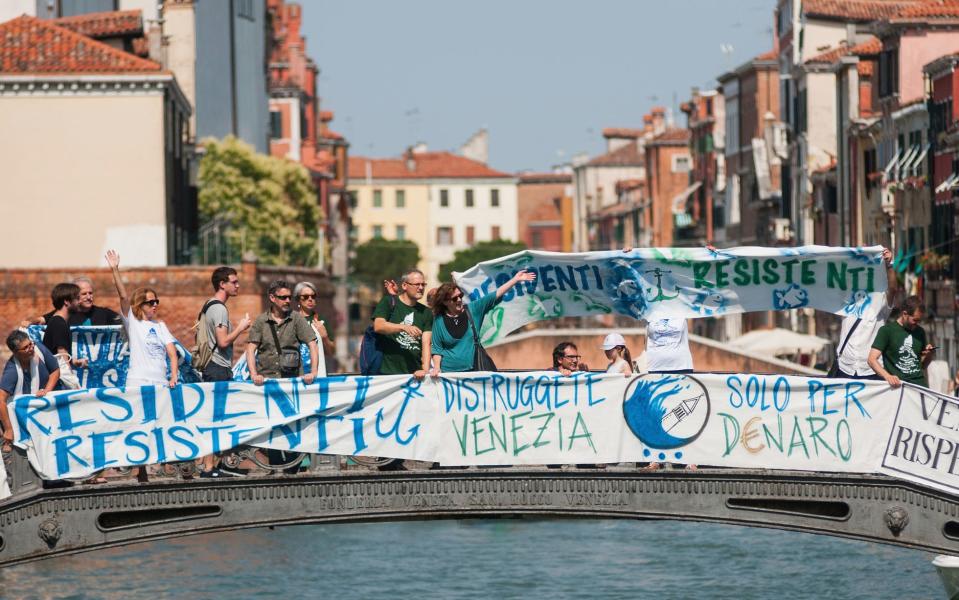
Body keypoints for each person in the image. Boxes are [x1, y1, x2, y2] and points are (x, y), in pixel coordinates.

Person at [429, 270, 536, 374]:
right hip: (449, 374)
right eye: (454, 298)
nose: (459, 300)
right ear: (445, 302)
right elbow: (437, 349)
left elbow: (495, 295)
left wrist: (515, 279)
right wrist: (437, 368)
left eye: (460, 296)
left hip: (473, 369)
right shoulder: (439, 319)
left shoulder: (473, 309)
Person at [831, 247, 898, 379]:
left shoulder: (881, 300)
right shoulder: (846, 300)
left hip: (871, 369)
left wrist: (889, 265)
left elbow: (893, 288)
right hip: (845, 367)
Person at [246, 280, 319, 385]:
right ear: (272, 298)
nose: (288, 300)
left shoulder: (296, 318)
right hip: (267, 382)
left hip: (292, 382)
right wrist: (254, 374)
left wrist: (313, 372)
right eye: (283, 297)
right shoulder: (261, 320)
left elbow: (312, 344)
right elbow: (250, 349)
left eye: (289, 297)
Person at [0, 331, 60, 452]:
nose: (31, 348)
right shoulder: (12, 371)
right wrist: (9, 429)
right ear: (16, 352)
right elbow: (1, 399)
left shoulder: (38, 349)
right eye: (25, 347)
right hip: (26, 417)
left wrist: (46, 390)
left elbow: (55, 370)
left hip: (48, 409)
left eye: (30, 344)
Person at [372, 269, 433, 378]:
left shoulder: (426, 312)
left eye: (423, 284)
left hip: (415, 375)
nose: (421, 288)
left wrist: (425, 370)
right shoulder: (388, 302)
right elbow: (378, 326)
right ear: (404, 285)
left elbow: (426, 344)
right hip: (387, 374)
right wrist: (404, 327)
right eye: (417, 284)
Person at [868, 295, 934, 388]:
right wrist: (887, 376)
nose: (917, 323)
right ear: (904, 314)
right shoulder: (887, 331)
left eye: (919, 320)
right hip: (898, 388)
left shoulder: (920, 332)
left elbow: (922, 365)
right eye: (915, 320)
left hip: (919, 387)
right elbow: (871, 359)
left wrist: (929, 355)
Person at [201, 266, 252, 383]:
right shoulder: (219, 308)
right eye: (234, 282)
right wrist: (241, 327)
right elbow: (222, 342)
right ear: (222, 284)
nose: (238, 285)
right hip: (218, 368)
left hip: (212, 367)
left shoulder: (209, 304)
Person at [25, 276, 121, 327]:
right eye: (84, 294)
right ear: (75, 296)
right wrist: (29, 322)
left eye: (90, 293)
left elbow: (124, 322)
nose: (89, 297)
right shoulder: (65, 313)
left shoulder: (104, 313)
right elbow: (41, 320)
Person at [41, 283, 88, 387]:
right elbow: (61, 355)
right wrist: (72, 382)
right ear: (67, 301)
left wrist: (74, 362)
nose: (80, 301)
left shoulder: (59, 321)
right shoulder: (59, 323)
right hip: (56, 383)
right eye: (77, 298)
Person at [294, 281, 334, 371]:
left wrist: (325, 338)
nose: (310, 299)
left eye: (313, 296)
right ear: (298, 299)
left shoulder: (321, 320)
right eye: (305, 297)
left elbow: (332, 352)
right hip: (296, 371)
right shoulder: (291, 320)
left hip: (318, 371)